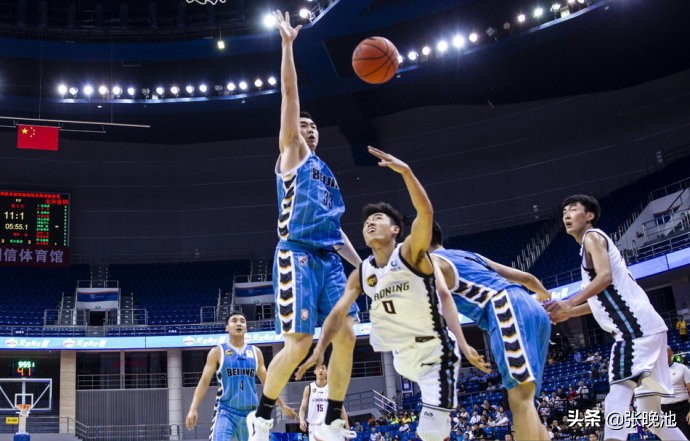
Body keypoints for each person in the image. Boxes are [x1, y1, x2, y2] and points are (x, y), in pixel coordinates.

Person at [296, 146, 488, 441]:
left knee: (432, 431)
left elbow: (425, 212)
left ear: (396, 229)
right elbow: (337, 313)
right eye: (366, 222)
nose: (370, 223)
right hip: (400, 358)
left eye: (377, 219)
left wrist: (406, 172)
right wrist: (321, 348)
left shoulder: (411, 253)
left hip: (435, 355)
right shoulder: (362, 272)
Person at [247, 10, 361, 441]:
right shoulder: (292, 155)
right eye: (303, 125)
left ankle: (332, 418)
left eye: (314, 127)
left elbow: (338, 230)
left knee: (347, 335)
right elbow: (290, 96)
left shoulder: (327, 174)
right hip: (296, 254)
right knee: (298, 343)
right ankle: (261, 417)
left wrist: (364, 265)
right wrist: (288, 45)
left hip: (330, 258)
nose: (308, 130)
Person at [546, 194, 687, 441]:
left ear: (589, 215)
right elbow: (602, 300)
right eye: (564, 211)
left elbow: (605, 278)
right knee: (651, 416)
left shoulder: (593, 237)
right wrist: (569, 312)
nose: (566, 215)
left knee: (617, 396)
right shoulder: (592, 246)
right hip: (649, 328)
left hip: (634, 329)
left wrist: (567, 302)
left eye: (573, 209)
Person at [428, 223, 552, 441]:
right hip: (532, 306)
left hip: (505, 307)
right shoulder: (471, 255)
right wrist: (544, 297)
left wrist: (463, 344)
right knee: (526, 401)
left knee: (518, 400)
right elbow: (527, 278)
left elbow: (442, 293)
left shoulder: (432, 261)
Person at [185, 312, 296, 440]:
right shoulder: (217, 352)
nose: (239, 323)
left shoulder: (256, 352)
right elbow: (204, 382)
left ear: (246, 327)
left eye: (242, 321)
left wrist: (281, 405)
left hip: (251, 413)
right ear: (226, 327)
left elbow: (268, 383)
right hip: (226, 411)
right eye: (234, 321)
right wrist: (193, 408)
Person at [298, 363, 351, 441]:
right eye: (318, 368)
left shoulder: (332, 388)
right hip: (314, 427)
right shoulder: (308, 388)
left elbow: (341, 408)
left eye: (323, 368)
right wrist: (301, 420)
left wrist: (347, 427)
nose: (320, 370)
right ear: (315, 371)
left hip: (330, 426)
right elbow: (302, 408)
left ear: (326, 371)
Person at [661, 346, 690, 439]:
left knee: (686, 437)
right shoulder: (655, 372)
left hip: (683, 409)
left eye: (666, 352)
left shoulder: (682, 368)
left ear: (671, 353)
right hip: (664, 410)